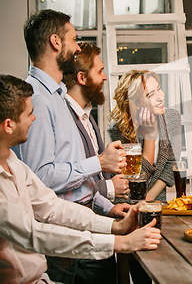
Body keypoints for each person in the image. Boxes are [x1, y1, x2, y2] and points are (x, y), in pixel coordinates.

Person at [0, 74, 162, 284]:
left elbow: (52, 207)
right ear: (8, 125)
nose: (35, 118)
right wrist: (119, 243)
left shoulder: (12, 161)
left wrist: (115, 228)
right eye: (29, 113)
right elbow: (35, 234)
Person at [11, 9, 130, 284]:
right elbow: (41, 180)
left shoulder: (58, 95)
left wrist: (104, 205)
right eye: (74, 39)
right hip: (65, 241)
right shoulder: (36, 99)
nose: (77, 48)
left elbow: (73, 175)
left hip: (84, 221)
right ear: (56, 42)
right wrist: (99, 163)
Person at [63, 42, 129, 202]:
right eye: (100, 71)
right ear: (82, 77)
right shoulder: (64, 117)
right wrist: (108, 187)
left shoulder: (86, 113)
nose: (105, 77)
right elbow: (63, 180)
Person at [107, 70, 182, 202]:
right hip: (127, 202)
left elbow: (171, 164)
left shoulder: (172, 118)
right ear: (136, 103)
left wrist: (149, 198)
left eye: (159, 89)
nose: (160, 96)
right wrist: (150, 135)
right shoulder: (118, 129)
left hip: (157, 201)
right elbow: (134, 178)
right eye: (151, 94)